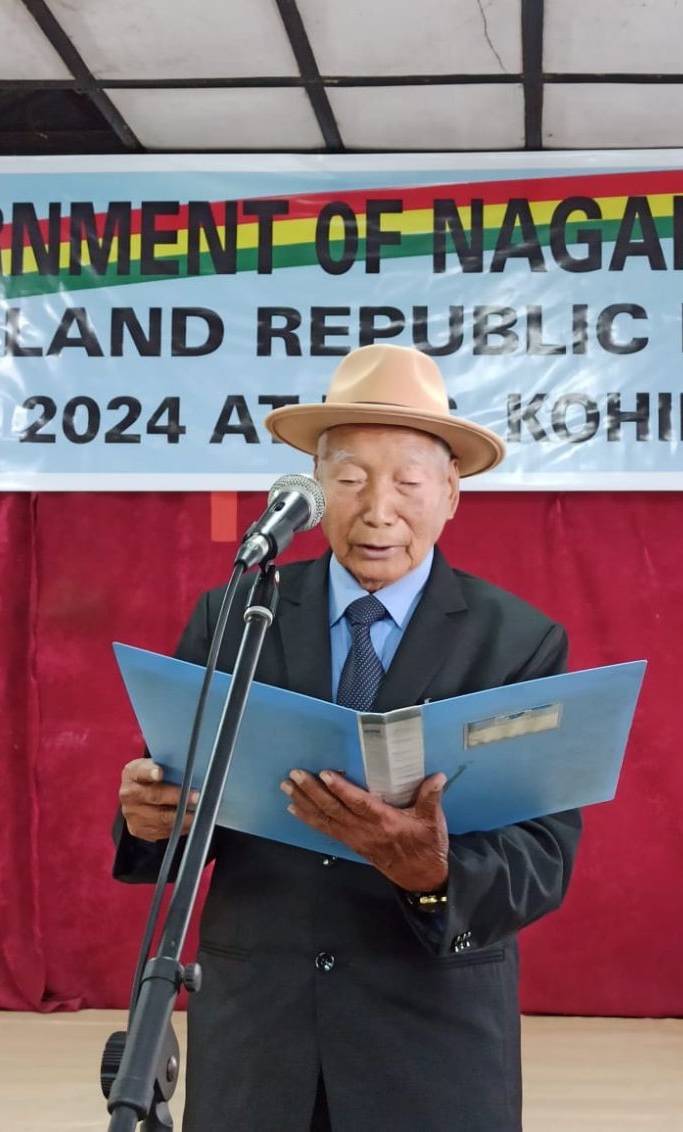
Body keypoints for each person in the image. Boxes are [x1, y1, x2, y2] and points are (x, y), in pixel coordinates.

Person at [114, 344, 582, 1132]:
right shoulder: (237, 612)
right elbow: (175, 797)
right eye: (351, 478)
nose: (377, 509)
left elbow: (543, 856)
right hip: (258, 1037)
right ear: (314, 488)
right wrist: (148, 818)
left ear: (451, 494)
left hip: (428, 1043)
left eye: (406, 481)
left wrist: (432, 870)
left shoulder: (518, 644)